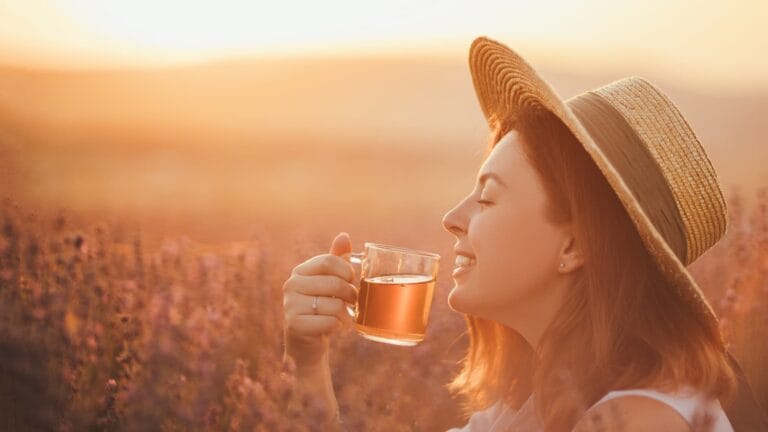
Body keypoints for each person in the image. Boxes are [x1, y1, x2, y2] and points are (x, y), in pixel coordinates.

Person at [281, 36, 768, 431]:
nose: (453, 217)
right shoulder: (530, 409)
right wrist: (307, 365)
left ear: (575, 245)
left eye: (488, 197)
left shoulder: (639, 421)